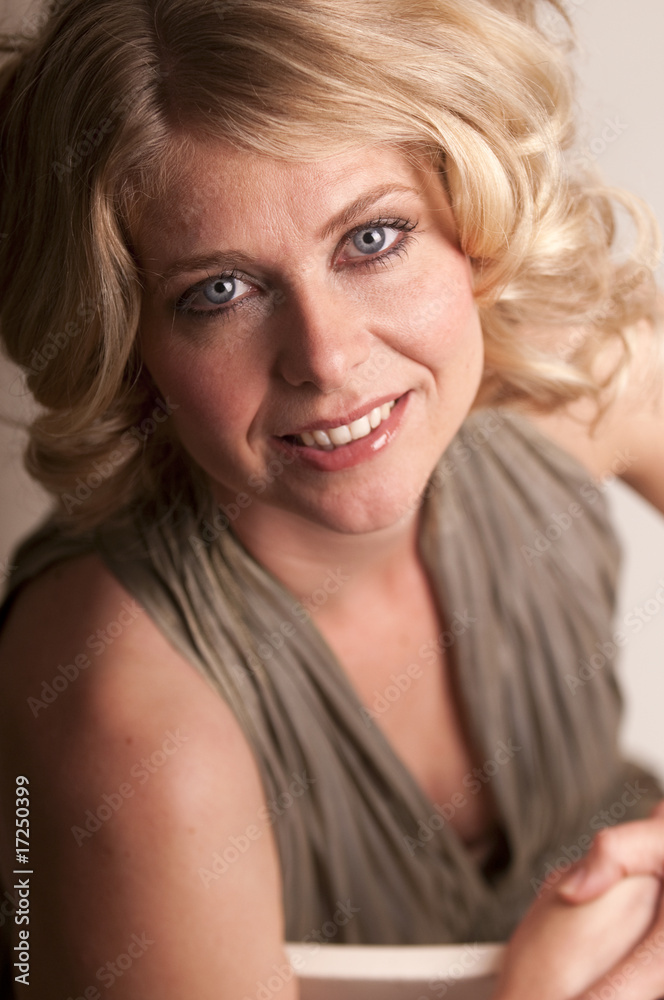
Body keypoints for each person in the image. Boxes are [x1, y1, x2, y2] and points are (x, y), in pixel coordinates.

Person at [0, 0, 663, 996]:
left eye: (373, 238)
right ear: (132, 342)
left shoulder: (568, 381)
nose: (326, 358)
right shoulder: (124, 715)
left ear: (470, 210)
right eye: (219, 291)